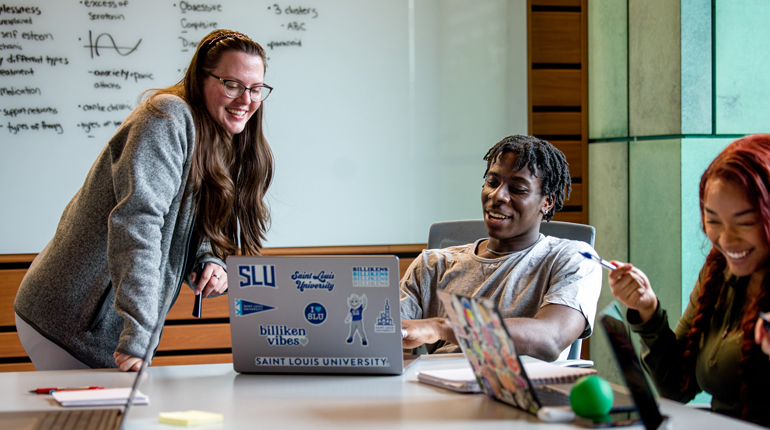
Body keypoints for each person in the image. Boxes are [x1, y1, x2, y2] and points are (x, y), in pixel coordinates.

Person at [13, 29, 274, 372]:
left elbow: (185, 221)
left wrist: (209, 259)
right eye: (232, 84)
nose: (246, 100)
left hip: (97, 327)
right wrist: (139, 336)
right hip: (70, 321)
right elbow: (138, 224)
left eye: (255, 89)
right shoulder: (166, 117)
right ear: (200, 78)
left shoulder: (214, 135)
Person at [608, 135, 770, 426]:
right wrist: (647, 311)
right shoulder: (719, 272)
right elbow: (676, 387)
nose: (726, 240)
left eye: (745, 222)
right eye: (713, 220)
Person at [400, 135, 602, 361]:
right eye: (492, 182)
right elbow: (384, 332)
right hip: (434, 381)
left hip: (523, 383)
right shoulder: (432, 264)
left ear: (547, 202)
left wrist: (440, 327)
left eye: (517, 189)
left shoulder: (574, 259)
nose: (497, 196)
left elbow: (551, 338)